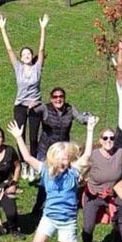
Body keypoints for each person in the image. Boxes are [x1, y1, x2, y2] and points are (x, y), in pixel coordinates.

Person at [1, 115, 98, 242]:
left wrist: (89, 130)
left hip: (68, 221)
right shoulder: (45, 170)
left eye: (66, 158)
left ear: (69, 159)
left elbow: (87, 155)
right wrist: (19, 137)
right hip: (49, 218)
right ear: (53, 159)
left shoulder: (73, 173)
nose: (63, 161)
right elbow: (28, 158)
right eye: (60, 158)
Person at [0, 13, 49, 178]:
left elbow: (41, 49)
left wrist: (43, 28)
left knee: (33, 138)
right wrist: (3, 28)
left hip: (35, 106)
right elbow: (9, 49)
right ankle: (24, 165)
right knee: (20, 136)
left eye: (28, 54)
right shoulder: (17, 67)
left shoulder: (37, 67)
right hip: (20, 106)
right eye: (23, 54)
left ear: (31, 57)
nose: (25, 55)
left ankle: (33, 165)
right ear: (21, 57)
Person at [32, 87, 93, 215]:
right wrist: (31, 107)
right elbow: (33, 112)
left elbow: (81, 119)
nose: (58, 99)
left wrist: (90, 119)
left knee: (68, 176)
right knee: (46, 178)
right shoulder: (45, 108)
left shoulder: (69, 109)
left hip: (64, 151)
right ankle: (38, 206)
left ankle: (71, 202)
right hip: (47, 151)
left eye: (61, 96)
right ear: (51, 98)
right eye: (55, 97)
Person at [78, 128, 122, 242]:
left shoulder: (121, 153)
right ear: (100, 140)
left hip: (113, 196)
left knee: (119, 222)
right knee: (88, 226)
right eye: (105, 138)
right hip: (94, 195)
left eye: (112, 138)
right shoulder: (93, 155)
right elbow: (82, 168)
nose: (109, 141)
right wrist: (82, 177)